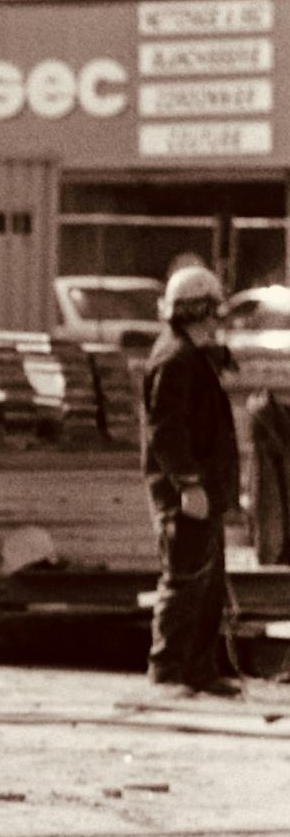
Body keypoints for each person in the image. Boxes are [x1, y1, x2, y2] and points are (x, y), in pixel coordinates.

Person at [142, 265, 243, 698]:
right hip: (186, 493)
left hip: (206, 490)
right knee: (185, 579)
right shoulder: (175, 359)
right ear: (197, 310)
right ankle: (167, 670)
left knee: (210, 584)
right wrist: (188, 484)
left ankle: (200, 669)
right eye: (213, 313)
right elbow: (166, 431)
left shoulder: (192, 355)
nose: (218, 322)